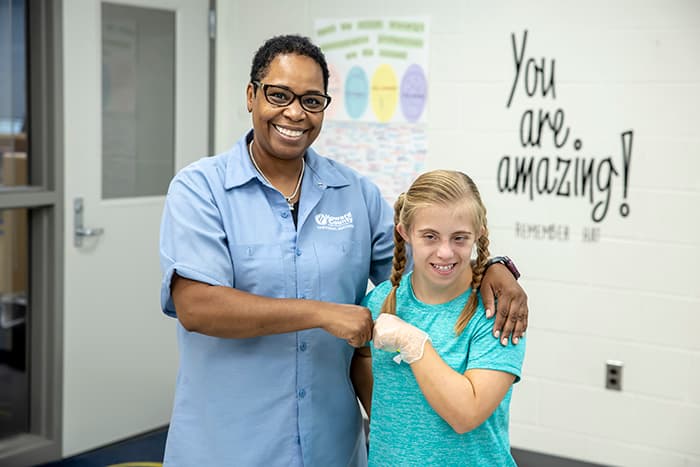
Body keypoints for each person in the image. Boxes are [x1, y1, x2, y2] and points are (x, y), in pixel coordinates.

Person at [159, 34, 528, 466]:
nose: (295, 112)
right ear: (250, 96)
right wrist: (323, 313)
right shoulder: (200, 189)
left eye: (312, 101)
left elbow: (428, 263)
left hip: (329, 444)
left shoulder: (354, 193)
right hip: (230, 443)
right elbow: (198, 307)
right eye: (279, 95)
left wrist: (493, 266)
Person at [360, 170, 526, 466]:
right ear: (404, 232)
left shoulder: (495, 312)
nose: (445, 251)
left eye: (459, 238)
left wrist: (413, 342)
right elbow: (360, 357)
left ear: (479, 234)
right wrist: (397, 423)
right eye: (430, 236)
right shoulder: (381, 301)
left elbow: (466, 414)